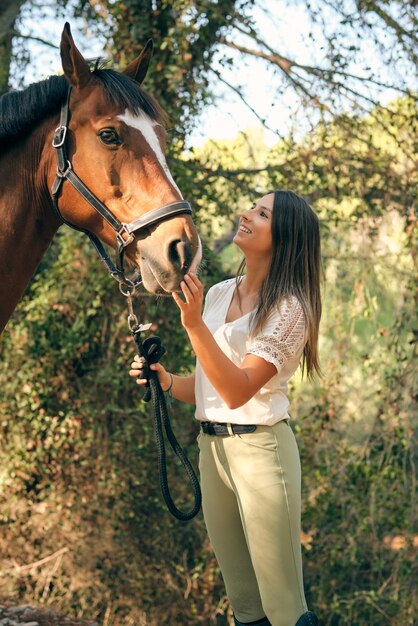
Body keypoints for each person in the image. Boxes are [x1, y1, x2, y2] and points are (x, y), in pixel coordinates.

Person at [129, 190, 322, 626]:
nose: (246, 214)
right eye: (252, 207)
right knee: (245, 606)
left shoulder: (291, 310)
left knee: (284, 607)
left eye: (262, 212)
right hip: (212, 451)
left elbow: (238, 392)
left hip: (262, 455)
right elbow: (209, 389)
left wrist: (194, 325)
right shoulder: (217, 293)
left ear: (286, 236)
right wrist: (166, 381)